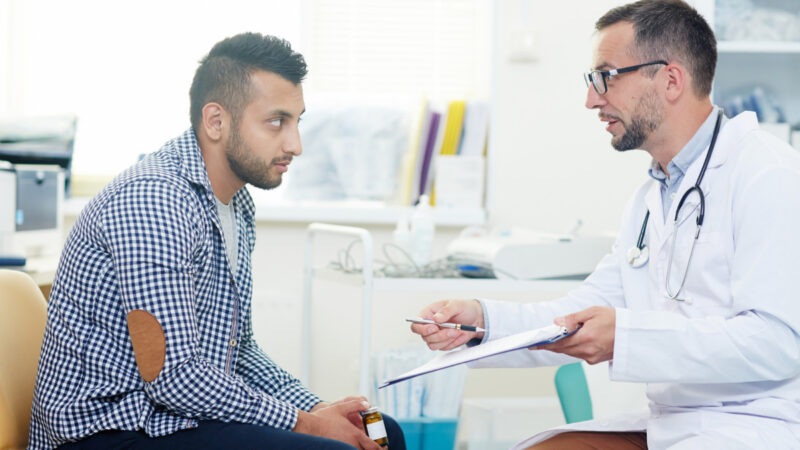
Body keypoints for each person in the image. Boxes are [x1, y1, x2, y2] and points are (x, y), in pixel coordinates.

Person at [412, 1, 800, 448]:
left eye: (606, 77)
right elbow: (583, 311)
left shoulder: (768, 175)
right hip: (671, 424)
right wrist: (482, 322)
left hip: (758, 426)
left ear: (671, 79)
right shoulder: (654, 195)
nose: (592, 99)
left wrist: (627, 336)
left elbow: (777, 342)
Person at [28, 33, 405, 450]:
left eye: (298, 121)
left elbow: (238, 351)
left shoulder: (236, 203)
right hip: (107, 433)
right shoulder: (154, 202)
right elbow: (174, 377)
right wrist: (310, 426)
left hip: (174, 418)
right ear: (215, 121)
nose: (295, 144)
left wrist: (319, 409)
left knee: (382, 431)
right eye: (277, 121)